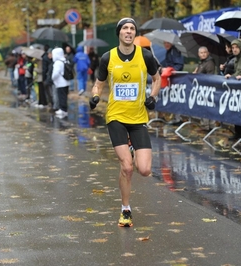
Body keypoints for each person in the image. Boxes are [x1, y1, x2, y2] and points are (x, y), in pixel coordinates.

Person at [89, 17, 161, 227]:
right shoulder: (107, 57)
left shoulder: (145, 55)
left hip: (138, 117)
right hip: (116, 117)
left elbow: (157, 79)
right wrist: (95, 96)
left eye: (132, 29)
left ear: (134, 33)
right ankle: (126, 210)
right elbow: (98, 83)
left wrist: (152, 97)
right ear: (119, 33)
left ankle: (131, 151)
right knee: (127, 168)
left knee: (145, 170)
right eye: (125, 29)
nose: (129, 31)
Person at [224, 38, 241, 140]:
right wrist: (230, 76)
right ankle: (238, 133)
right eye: (233, 48)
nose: (234, 50)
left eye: (236, 47)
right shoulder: (236, 59)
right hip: (237, 89)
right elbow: (237, 72)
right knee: (236, 110)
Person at [193, 46, 216, 131]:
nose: (203, 54)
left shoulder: (209, 63)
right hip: (202, 87)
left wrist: (198, 75)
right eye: (201, 53)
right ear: (198, 54)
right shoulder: (201, 63)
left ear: (208, 53)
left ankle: (208, 126)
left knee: (207, 107)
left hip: (208, 88)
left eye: (204, 52)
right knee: (203, 106)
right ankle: (205, 125)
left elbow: (209, 75)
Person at [161, 40, 184, 125]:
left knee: (176, 97)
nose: (166, 44)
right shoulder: (169, 52)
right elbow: (167, 63)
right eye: (165, 43)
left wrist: (171, 71)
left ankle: (178, 118)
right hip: (171, 78)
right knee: (173, 97)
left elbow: (179, 65)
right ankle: (175, 118)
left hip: (176, 78)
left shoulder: (174, 51)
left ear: (171, 43)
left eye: (168, 43)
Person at [51, 47, 69, 118]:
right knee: (64, 96)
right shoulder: (64, 60)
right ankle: (64, 109)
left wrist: (52, 78)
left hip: (60, 83)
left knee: (61, 96)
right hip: (66, 82)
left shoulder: (57, 62)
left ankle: (63, 109)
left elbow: (56, 73)